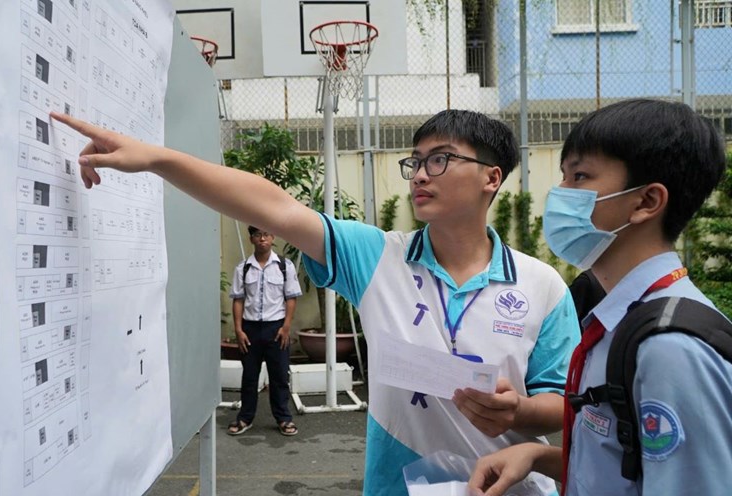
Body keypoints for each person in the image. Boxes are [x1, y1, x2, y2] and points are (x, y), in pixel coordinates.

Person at [50, 108, 580, 496]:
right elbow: (275, 206)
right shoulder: (377, 258)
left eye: (440, 160)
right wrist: (157, 159)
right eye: (415, 161)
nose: (420, 173)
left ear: (492, 177)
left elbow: (564, 406)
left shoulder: (541, 288)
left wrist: (519, 409)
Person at [466, 99, 732, 496]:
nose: (559, 194)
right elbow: (628, 464)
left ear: (646, 202)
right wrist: (537, 458)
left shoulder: (669, 350)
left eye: (581, 176)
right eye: (564, 176)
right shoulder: (617, 322)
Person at [227, 225, 302, 437]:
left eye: (266, 235)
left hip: (276, 328)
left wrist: (286, 326)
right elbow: (238, 300)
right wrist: (239, 330)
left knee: (279, 376)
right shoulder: (243, 268)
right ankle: (245, 418)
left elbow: (291, 298)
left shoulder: (284, 266)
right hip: (250, 330)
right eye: (258, 235)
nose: (262, 239)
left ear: (272, 237)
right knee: (249, 377)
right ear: (251, 239)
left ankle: (284, 419)